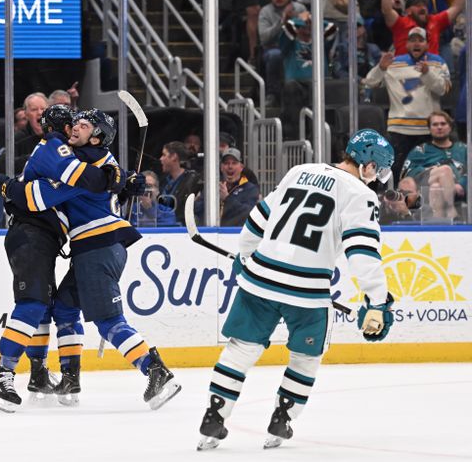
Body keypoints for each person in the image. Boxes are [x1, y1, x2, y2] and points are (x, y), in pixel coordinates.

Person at [197, 128, 396, 451]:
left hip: (259, 279)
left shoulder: (299, 171)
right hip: (307, 291)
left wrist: (245, 254)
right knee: (306, 356)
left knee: (240, 349)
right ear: (369, 165)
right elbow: (362, 253)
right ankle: (282, 418)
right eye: (378, 171)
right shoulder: (361, 195)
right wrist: (377, 301)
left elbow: (258, 219)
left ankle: (214, 416)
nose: (376, 179)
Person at [0, 109, 180, 411]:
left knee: (108, 321)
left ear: (96, 137)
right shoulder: (91, 159)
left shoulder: (83, 162)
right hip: (94, 246)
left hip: (99, 245)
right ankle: (71, 378)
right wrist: (126, 179)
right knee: (65, 309)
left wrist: (10, 187)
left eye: (83, 125)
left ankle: (155, 369)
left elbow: (36, 195)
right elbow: (109, 177)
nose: (75, 128)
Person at [0, 104, 130, 412]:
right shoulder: (55, 148)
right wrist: (115, 178)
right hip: (31, 233)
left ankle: (37, 374)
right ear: (62, 130)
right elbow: (59, 192)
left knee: (45, 307)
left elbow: (72, 189)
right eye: (72, 126)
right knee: (33, 304)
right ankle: (2, 375)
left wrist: (123, 182)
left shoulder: (57, 151)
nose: (75, 130)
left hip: (41, 236)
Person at [363, 26, 451, 181]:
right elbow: (370, 83)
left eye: (420, 40)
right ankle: (395, 202)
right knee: (395, 174)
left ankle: (427, 204)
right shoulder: (393, 63)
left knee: (429, 174)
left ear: (427, 44)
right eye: (412, 40)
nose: (416, 44)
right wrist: (380, 68)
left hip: (428, 129)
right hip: (399, 129)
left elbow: (443, 89)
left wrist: (427, 73)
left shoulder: (438, 63)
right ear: (406, 44)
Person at [401, 111, 467, 220]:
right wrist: (430, 170)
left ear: (450, 127)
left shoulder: (464, 149)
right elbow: (407, 173)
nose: (439, 127)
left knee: (436, 187)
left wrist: (462, 184)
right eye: (435, 124)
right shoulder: (420, 150)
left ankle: (437, 222)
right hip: (425, 188)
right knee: (445, 170)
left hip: (455, 189)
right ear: (429, 128)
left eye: (443, 124)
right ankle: (451, 210)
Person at [258, 0, 307, 106]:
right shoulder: (265, 11)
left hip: (297, 46)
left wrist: (297, 20)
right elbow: (264, 38)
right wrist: (281, 22)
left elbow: (309, 30)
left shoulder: (300, 8)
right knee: (276, 55)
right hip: (274, 48)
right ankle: (272, 94)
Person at [158, 140, 201, 225]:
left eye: (164, 155)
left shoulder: (193, 181)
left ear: (174, 157)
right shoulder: (163, 181)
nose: (161, 158)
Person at [218, 148, 260, 226]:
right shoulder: (213, 187)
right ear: (221, 167)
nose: (230, 166)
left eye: (234, 163)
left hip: (236, 234)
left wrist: (227, 199)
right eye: (226, 163)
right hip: (211, 233)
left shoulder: (250, 189)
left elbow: (248, 212)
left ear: (241, 167)